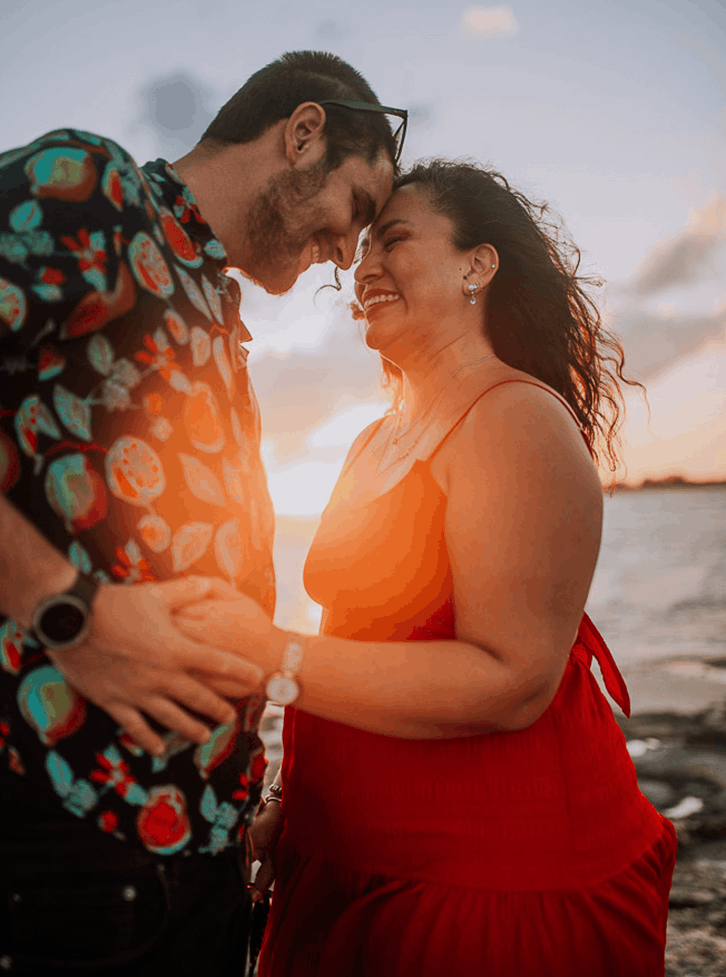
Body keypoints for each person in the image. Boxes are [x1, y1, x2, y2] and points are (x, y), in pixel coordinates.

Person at [175, 160, 675, 976]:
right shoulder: (376, 437)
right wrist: (288, 807)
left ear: (477, 265)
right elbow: (355, 638)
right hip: (345, 864)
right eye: (363, 244)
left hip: (490, 888)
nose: (362, 267)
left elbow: (512, 678)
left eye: (395, 240)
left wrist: (268, 651)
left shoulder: (514, 418)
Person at [0, 50, 403, 974]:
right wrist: (70, 611)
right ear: (303, 133)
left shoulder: (211, 298)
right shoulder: (97, 193)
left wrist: (236, 802)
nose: (347, 253)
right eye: (358, 208)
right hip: (71, 834)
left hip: (193, 856)